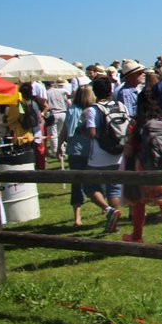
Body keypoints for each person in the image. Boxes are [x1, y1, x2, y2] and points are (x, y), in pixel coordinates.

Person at [121, 89, 162, 247]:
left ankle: (137, 236)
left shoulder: (137, 123)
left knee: (139, 202)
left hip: (143, 165)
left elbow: (131, 146)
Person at [83, 76, 124, 233]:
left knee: (88, 185)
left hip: (99, 155)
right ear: (110, 90)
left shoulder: (93, 109)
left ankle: (108, 210)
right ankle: (115, 223)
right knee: (114, 188)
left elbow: (92, 133)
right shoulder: (120, 105)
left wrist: (83, 131)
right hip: (118, 152)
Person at [62, 84, 94, 227]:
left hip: (75, 150)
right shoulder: (91, 110)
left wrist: (58, 148)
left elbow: (65, 130)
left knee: (77, 184)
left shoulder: (71, 110)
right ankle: (105, 209)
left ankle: (77, 217)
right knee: (95, 181)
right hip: (89, 150)